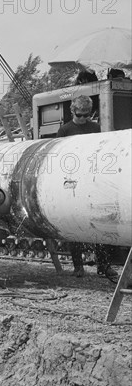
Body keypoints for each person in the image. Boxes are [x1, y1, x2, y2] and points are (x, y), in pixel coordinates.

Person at [56, 94, 117, 279]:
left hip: (92, 181)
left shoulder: (95, 128)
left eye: (87, 114)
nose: (83, 118)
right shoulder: (64, 131)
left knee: (98, 224)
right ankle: (78, 266)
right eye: (80, 114)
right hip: (73, 183)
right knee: (75, 224)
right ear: (72, 111)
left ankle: (103, 265)